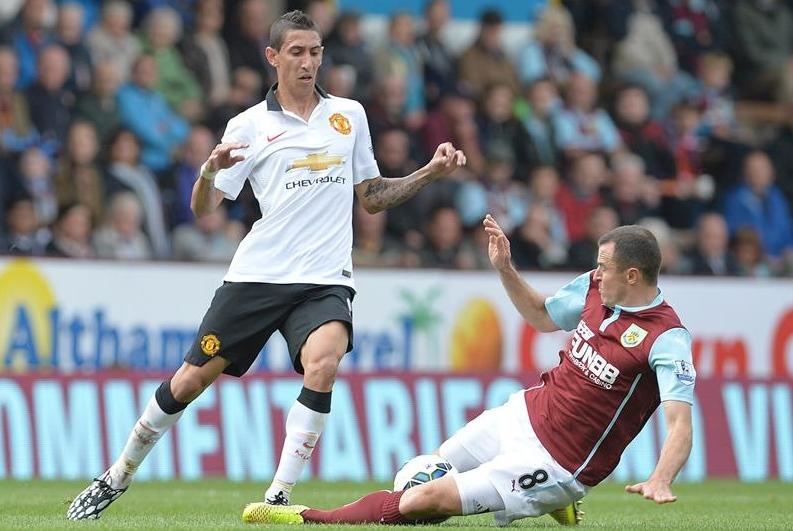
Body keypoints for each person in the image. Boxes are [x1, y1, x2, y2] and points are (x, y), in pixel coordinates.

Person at [66, 10, 466, 521]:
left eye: (315, 52)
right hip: (259, 275)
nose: (307, 62)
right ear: (273, 57)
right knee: (189, 382)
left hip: (324, 277)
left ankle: (278, 497)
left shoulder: (349, 115)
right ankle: (117, 475)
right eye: (296, 52)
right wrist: (208, 171)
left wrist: (429, 172)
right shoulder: (249, 125)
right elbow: (204, 208)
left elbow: (371, 197)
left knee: (324, 362)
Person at [242, 217, 695, 527]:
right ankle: (551, 508)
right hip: (523, 413)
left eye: (604, 267)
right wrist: (505, 268)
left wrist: (660, 478)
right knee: (429, 470)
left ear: (632, 276)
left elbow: (680, 424)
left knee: (423, 499)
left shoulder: (666, 338)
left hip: (557, 463)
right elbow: (541, 316)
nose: (596, 273)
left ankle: (304, 517)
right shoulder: (594, 288)